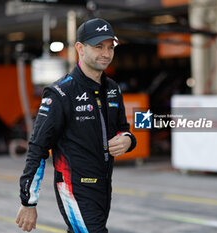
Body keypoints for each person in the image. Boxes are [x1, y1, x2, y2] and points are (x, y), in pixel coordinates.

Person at [16, 18, 137, 232]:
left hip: (104, 185)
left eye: (110, 47)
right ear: (80, 48)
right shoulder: (60, 93)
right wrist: (28, 201)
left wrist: (129, 139)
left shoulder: (112, 88)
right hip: (74, 187)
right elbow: (38, 147)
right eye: (98, 46)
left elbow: (122, 128)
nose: (106, 54)